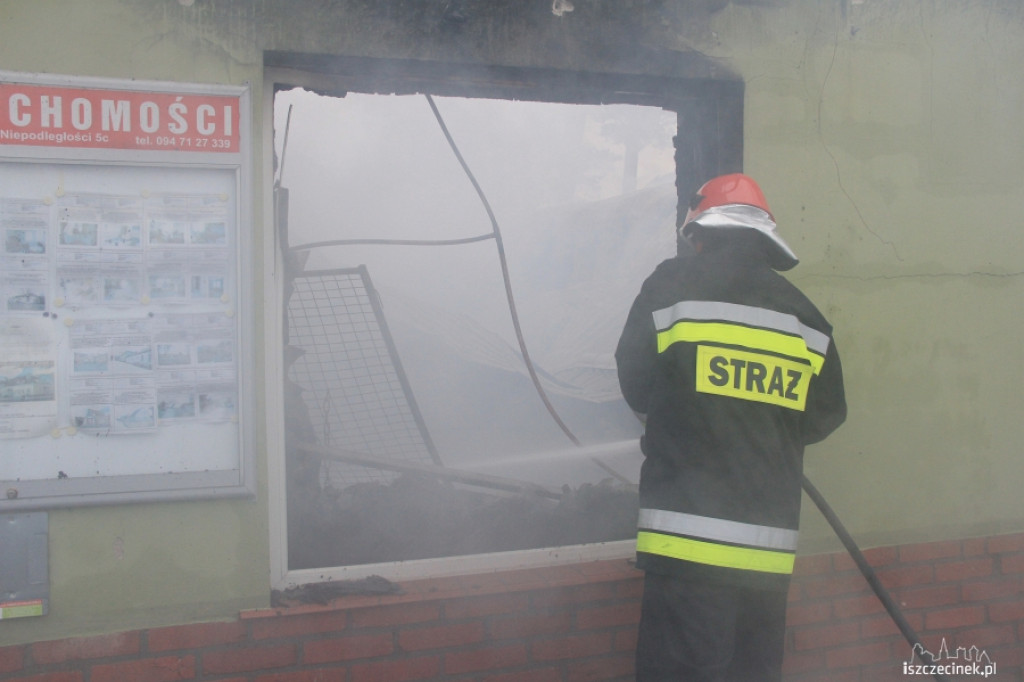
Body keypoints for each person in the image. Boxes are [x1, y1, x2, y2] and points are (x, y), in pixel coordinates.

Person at [615, 173, 847, 681]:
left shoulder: (673, 285)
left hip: (685, 548)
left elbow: (634, 379)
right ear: (764, 240)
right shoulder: (806, 319)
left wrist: (691, 412)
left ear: (701, 235)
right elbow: (826, 414)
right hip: (766, 556)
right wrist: (758, 425)